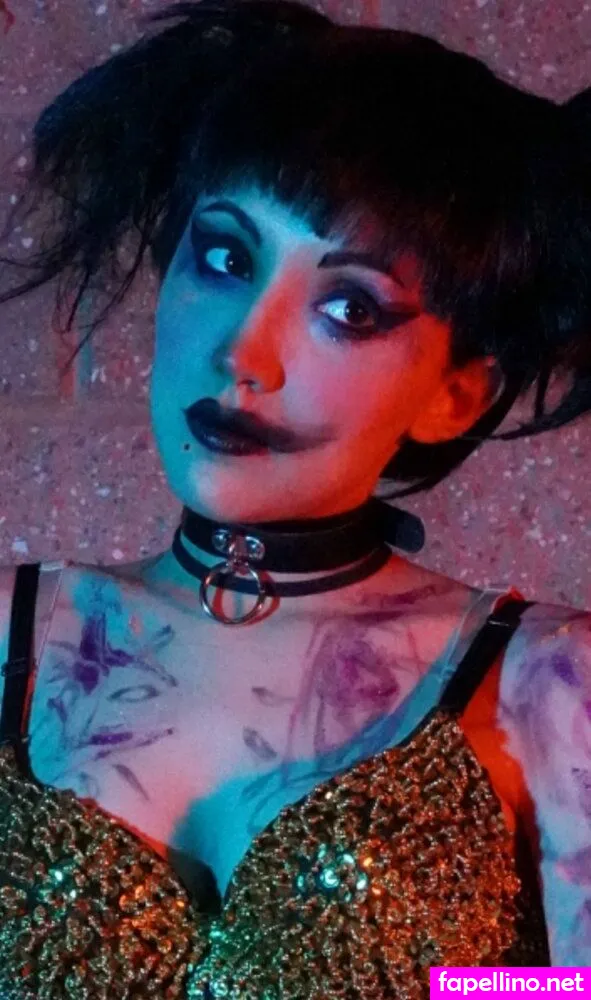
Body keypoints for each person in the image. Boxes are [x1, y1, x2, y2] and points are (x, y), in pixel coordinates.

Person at [0, 0, 590, 994]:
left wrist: (457, 985)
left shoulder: (547, 679)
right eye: (226, 258)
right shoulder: (11, 636)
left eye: (348, 308)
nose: (245, 352)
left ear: (453, 394)